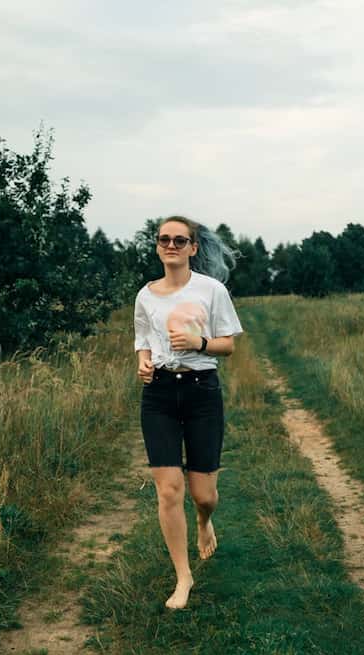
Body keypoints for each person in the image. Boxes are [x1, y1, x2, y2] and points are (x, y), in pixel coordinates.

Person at [134, 215, 243, 609]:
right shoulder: (146, 295)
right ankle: (184, 577)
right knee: (168, 490)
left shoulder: (211, 290)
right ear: (158, 246)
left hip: (201, 393)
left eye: (180, 240)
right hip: (159, 394)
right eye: (164, 239)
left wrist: (199, 343)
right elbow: (143, 340)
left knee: (203, 494)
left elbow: (228, 345)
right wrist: (144, 362)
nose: (171, 245)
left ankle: (204, 520)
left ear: (194, 248)